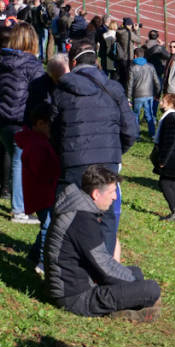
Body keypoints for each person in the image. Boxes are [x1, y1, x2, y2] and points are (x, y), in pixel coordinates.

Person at [49, 39, 138, 255]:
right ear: (97, 62)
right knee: (105, 217)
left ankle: (68, 265)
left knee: (69, 213)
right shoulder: (113, 89)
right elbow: (131, 131)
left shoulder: (62, 90)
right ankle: (102, 270)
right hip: (106, 162)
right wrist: (113, 153)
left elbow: (54, 130)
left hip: (74, 162)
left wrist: (67, 153)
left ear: (72, 63)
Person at [45, 164, 162, 320]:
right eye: (112, 192)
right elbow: (105, 268)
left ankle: (127, 305)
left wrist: (132, 280)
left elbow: (101, 264)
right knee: (151, 289)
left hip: (75, 285)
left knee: (136, 272)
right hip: (75, 297)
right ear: (96, 194)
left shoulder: (79, 209)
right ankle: (121, 310)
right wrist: (134, 285)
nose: (115, 197)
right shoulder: (82, 220)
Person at [0, 22, 47, 223]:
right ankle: (19, 209)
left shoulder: (1, 61)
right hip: (21, 119)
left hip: (1, 118)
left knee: (16, 160)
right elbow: (42, 93)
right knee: (20, 164)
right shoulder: (33, 66)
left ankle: (20, 201)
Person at [16, 102, 60, 275]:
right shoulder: (37, 145)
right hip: (43, 193)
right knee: (48, 226)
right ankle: (43, 261)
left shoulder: (36, 141)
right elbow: (42, 170)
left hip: (40, 192)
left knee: (46, 223)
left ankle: (33, 256)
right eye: (50, 125)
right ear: (40, 123)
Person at [151, 93, 175, 222]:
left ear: (170, 103)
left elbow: (170, 141)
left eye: (163, 101)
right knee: (171, 183)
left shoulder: (170, 118)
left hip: (171, 158)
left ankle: (174, 212)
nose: (161, 103)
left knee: (165, 183)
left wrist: (163, 160)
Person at [127, 45, 161, 140]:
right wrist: (157, 94)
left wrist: (128, 98)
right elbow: (157, 82)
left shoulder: (132, 67)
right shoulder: (150, 66)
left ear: (135, 56)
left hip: (137, 95)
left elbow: (130, 84)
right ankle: (152, 134)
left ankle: (136, 135)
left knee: (135, 115)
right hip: (149, 94)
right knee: (149, 115)